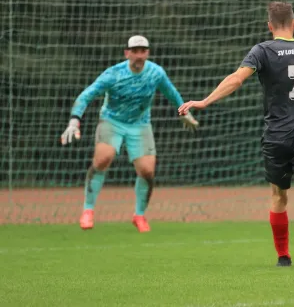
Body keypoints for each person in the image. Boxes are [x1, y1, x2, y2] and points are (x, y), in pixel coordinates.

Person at [178, 1, 294, 267]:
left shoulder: (262, 50)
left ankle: (283, 256)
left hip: (276, 136)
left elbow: (236, 79)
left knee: (278, 195)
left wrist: (205, 101)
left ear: (269, 26)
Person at [60, 35, 199, 232]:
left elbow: (171, 92)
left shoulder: (156, 72)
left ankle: (139, 215)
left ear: (147, 53)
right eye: (135, 51)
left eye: (143, 51)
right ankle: (88, 210)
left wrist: (183, 112)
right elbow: (87, 95)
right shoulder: (113, 74)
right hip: (112, 121)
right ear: (127, 53)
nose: (139, 55)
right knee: (102, 159)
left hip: (140, 125)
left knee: (147, 172)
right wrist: (74, 120)